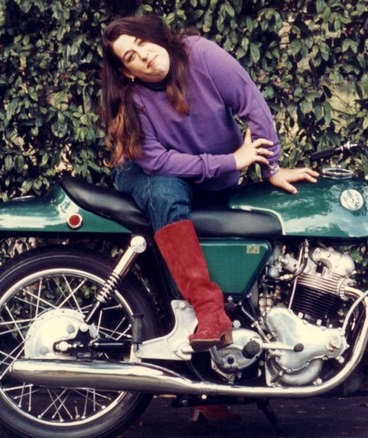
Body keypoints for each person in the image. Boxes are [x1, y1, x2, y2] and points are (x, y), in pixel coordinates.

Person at [99, 15, 319, 350]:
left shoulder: (200, 55)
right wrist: (231, 161)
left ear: (154, 37)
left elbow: (251, 103)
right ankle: (209, 312)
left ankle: (211, 394)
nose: (143, 55)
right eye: (130, 56)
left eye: (142, 42)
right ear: (127, 72)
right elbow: (158, 162)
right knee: (165, 190)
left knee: (220, 256)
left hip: (213, 177)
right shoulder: (133, 101)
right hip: (149, 174)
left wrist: (270, 167)